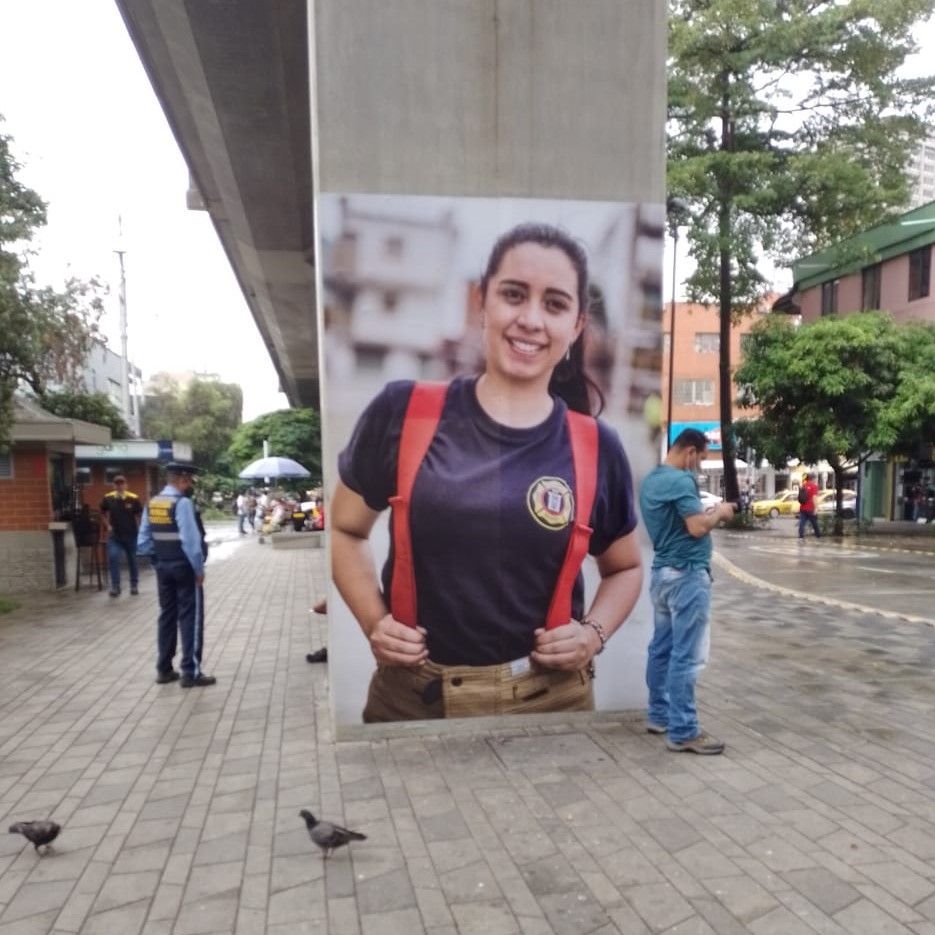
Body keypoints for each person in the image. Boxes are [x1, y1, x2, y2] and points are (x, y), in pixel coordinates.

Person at [331, 222, 643, 722]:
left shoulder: (595, 445)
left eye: (555, 304)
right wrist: (375, 622)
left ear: (577, 325)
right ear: (482, 302)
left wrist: (592, 635)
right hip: (413, 700)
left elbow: (625, 568)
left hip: (552, 701)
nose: (531, 319)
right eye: (514, 295)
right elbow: (346, 530)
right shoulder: (404, 412)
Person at [639, 429, 736, 754]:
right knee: (687, 656)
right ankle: (683, 731)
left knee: (661, 649)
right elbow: (696, 528)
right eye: (701, 459)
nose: (698, 466)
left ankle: (659, 715)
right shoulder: (681, 481)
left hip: (662, 575)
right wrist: (720, 513)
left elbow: (681, 523)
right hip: (686, 576)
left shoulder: (652, 480)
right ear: (690, 452)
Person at [137, 463, 216, 687]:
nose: (190, 485)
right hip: (184, 568)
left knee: (167, 616)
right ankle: (190, 672)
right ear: (181, 480)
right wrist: (198, 570)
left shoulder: (153, 503)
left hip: (163, 567)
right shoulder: (182, 504)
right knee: (191, 618)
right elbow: (191, 542)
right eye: (189, 481)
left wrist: (158, 560)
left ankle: (164, 669)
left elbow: (143, 541)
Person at [100, 474, 143, 597]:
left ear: (126, 485)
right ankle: (115, 586)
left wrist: (140, 530)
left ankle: (134, 585)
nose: (120, 486)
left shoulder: (133, 498)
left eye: (122, 483)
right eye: (117, 484)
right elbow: (102, 513)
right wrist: (107, 525)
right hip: (115, 536)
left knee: (133, 560)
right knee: (113, 558)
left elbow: (139, 515)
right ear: (114, 485)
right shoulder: (108, 498)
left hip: (131, 535)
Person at [797, 472, 821, 540]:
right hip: (810, 508)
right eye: (815, 478)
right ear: (813, 478)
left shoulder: (803, 485)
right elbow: (814, 497)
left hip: (802, 508)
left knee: (802, 522)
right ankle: (818, 536)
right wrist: (816, 508)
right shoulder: (814, 486)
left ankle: (801, 536)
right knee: (814, 523)